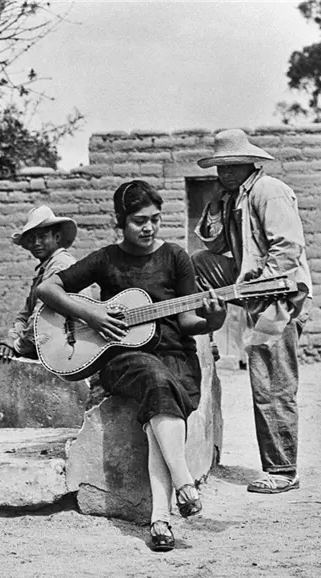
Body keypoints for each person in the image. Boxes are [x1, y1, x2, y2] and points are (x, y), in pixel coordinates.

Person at [36, 180, 226, 552]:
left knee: (162, 391)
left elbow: (188, 321)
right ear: (119, 221)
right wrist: (91, 312)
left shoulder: (175, 257)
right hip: (122, 358)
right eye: (139, 220)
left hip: (176, 356)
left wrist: (213, 322)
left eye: (155, 219)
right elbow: (48, 289)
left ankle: (160, 520)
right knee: (155, 381)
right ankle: (183, 481)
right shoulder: (107, 259)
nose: (149, 227)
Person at [192, 128, 312, 495]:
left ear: (251, 163)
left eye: (234, 166)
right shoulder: (232, 198)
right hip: (252, 286)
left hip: (278, 294)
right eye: (220, 167)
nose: (226, 173)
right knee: (196, 263)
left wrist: (259, 288)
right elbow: (213, 244)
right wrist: (215, 206)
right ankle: (197, 335)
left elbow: (287, 248)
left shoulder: (268, 191)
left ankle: (282, 469)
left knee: (271, 382)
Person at [0, 205, 78, 360]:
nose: (36, 243)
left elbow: (41, 317)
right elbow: (24, 315)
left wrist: (17, 345)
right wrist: (11, 338)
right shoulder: (45, 269)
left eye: (42, 237)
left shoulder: (60, 264)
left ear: (57, 237)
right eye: (31, 239)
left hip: (68, 349)